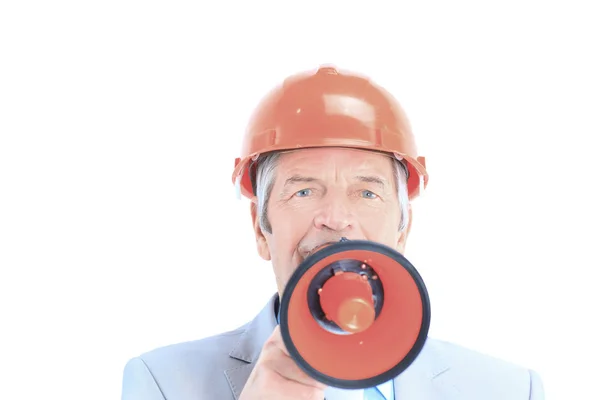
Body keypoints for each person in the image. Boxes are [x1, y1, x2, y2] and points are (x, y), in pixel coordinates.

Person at [120, 65, 545, 400]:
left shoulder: (508, 390)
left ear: (403, 229)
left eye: (367, 192)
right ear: (260, 229)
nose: (336, 218)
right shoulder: (162, 384)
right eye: (304, 190)